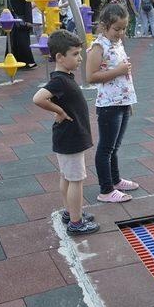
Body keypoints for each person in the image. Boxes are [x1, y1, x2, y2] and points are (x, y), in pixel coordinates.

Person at [33, 30, 99, 236]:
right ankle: (76, 222)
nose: (80, 58)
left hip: (67, 137)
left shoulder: (63, 77)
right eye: (75, 54)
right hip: (70, 137)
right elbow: (38, 98)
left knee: (68, 177)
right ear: (60, 57)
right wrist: (59, 111)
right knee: (76, 179)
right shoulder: (60, 80)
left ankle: (71, 212)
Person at [86, 3, 139, 203]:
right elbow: (90, 76)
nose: (121, 32)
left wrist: (129, 102)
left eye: (124, 28)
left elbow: (123, 76)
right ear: (104, 26)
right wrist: (118, 71)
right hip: (108, 104)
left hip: (122, 102)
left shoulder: (117, 44)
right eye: (116, 28)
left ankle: (115, 180)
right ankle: (106, 190)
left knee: (115, 147)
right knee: (106, 148)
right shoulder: (98, 47)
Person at [6, 0, 36, 69]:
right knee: (12, 41)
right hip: (12, 21)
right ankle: (13, 61)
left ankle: (28, 62)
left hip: (22, 19)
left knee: (23, 41)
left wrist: (28, 21)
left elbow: (27, 5)